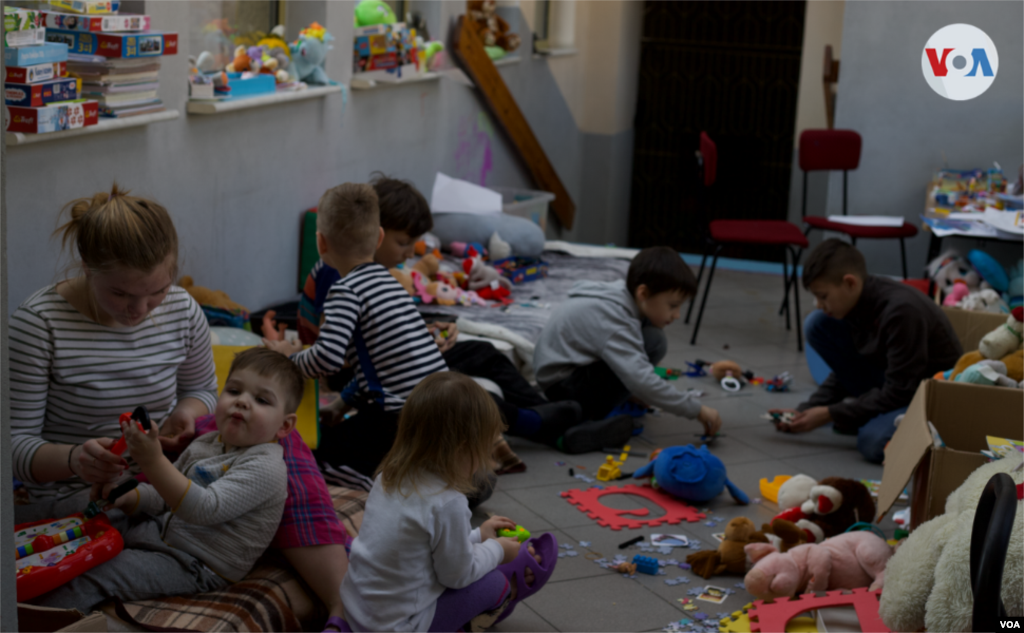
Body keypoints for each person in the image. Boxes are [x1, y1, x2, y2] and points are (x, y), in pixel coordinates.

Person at [9, 185, 350, 630]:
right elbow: (15, 447)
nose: (140, 310)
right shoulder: (38, 326)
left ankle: (345, 603)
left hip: (164, 462)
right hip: (81, 488)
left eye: (155, 293)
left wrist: (188, 414)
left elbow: (203, 392)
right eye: (121, 295)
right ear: (87, 268)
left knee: (280, 446)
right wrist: (75, 459)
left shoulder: (181, 307)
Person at [295, 174, 581, 451]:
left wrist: (424, 333)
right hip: (355, 375)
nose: (410, 254)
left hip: (384, 375)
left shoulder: (379, 276)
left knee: (478, 356)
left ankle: (549, 418)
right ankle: (545, 425)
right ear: (376, 233)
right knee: (455, 390)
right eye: (404, 242)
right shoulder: (339, 277)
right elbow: (339, 353)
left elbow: (382, 332)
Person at [36, 348, 300, 611]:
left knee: (92, 575)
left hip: (195, 562)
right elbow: (166, 495)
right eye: (234, 391)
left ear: (284, 426)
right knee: (83, 508)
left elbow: (204, 508)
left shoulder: (266, 467)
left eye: (262, 400)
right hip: (158, 532)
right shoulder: (206, 443)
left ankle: (33, 620)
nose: (242, 401)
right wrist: (130, 498)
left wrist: (153, 460)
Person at [265, 183, 448, 489]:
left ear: (321, 243)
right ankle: (424, 476)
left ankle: (386, 488)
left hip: (399, 418)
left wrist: (288, 359)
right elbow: (377, 364)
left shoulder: (345, 289)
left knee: (314, 457)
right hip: (441, 405)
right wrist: (341, 404)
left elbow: (328, 358)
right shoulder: (390, 283)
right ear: (378, 237)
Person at [338, 372, 552, 633]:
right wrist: (497, 551)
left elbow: (423, 547)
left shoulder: (388, 477)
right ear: (461, 449)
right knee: (496, 584)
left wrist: (478, 536)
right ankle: (492, 604)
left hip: (356, 610)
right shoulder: (447, 501)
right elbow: (456, 575)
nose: (490, 461)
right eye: (486, 449)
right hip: (399, 625)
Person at [775, 239, 962, 463]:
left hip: (925, 396)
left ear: (850, 283)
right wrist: (809, 408)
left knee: (872, 442)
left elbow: (901, 390)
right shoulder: (854, 303)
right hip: (893, 381)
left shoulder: (901, 312)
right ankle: (866, 415)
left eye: (823, 296)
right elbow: (848, 368)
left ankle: (877, 421)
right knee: (817, 322)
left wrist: (831, 413)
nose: (818, 303)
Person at [534, 246, 723, 452]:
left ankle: (603, 407)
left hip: (568, 375)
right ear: (643, 293)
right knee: (652, 345)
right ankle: (590, 417)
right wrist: (696, 410)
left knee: (652, 338)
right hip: (564, 389)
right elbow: (641, 379)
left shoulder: (623, 297)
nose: (677, 315)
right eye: (672, 306)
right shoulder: (615, 319)